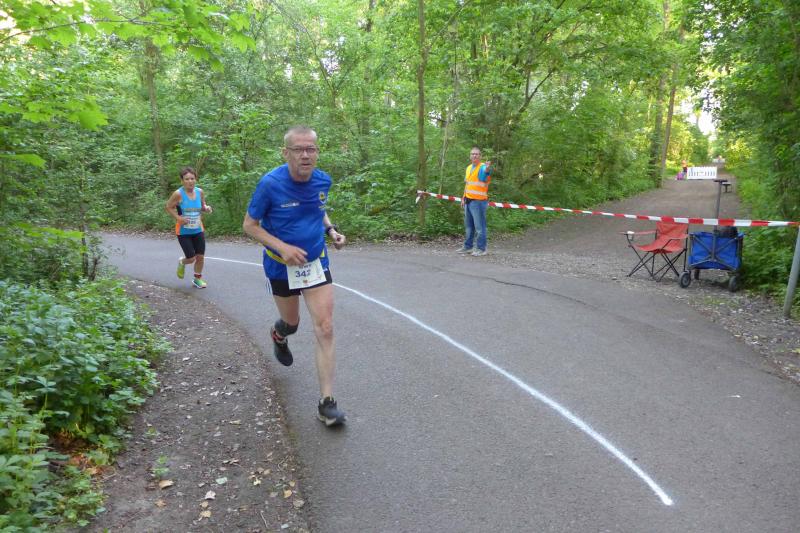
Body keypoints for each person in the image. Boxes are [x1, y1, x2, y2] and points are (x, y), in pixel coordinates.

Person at [242, 126, 348, 427]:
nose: (305, 155)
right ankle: (280, 334)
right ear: (285, 152)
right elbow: (249, 225)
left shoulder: (323, 180)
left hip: (315, 263)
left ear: (317, 152)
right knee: (292, 323)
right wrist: (283, 247)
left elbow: (318, 208)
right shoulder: (270, 184)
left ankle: (327, 403)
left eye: (311, 149)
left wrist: (331, 230)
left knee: (325, 327)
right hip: (281, 265)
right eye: (298, 149)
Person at [165, 167, 212, 288]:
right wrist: (178, 218)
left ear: (195, 179)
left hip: (198, 229)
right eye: (187, 179)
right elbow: (168, 207)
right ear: (182, 181)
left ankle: (197, 279)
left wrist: (206, 208)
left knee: (200, 257)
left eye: (192, 178)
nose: (190, 181)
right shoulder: (178, 194)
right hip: (183, 231)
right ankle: (182, 262)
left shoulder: (200, 192)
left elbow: (202, 206)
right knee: (191, 258)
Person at [457, 147, 492, 256]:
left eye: (477, 154)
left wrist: (487, 169)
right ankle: (468, 247)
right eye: (472, 154)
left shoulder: (483, 167)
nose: (474, 155)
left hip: (479, 202)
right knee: (469, 227)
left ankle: (481, 249)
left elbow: (484, 174)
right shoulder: (468, 168)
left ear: (480, 156)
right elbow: (467, 184)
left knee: (480, 227)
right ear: (470, 156)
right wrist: (463, 197)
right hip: (468, 200)